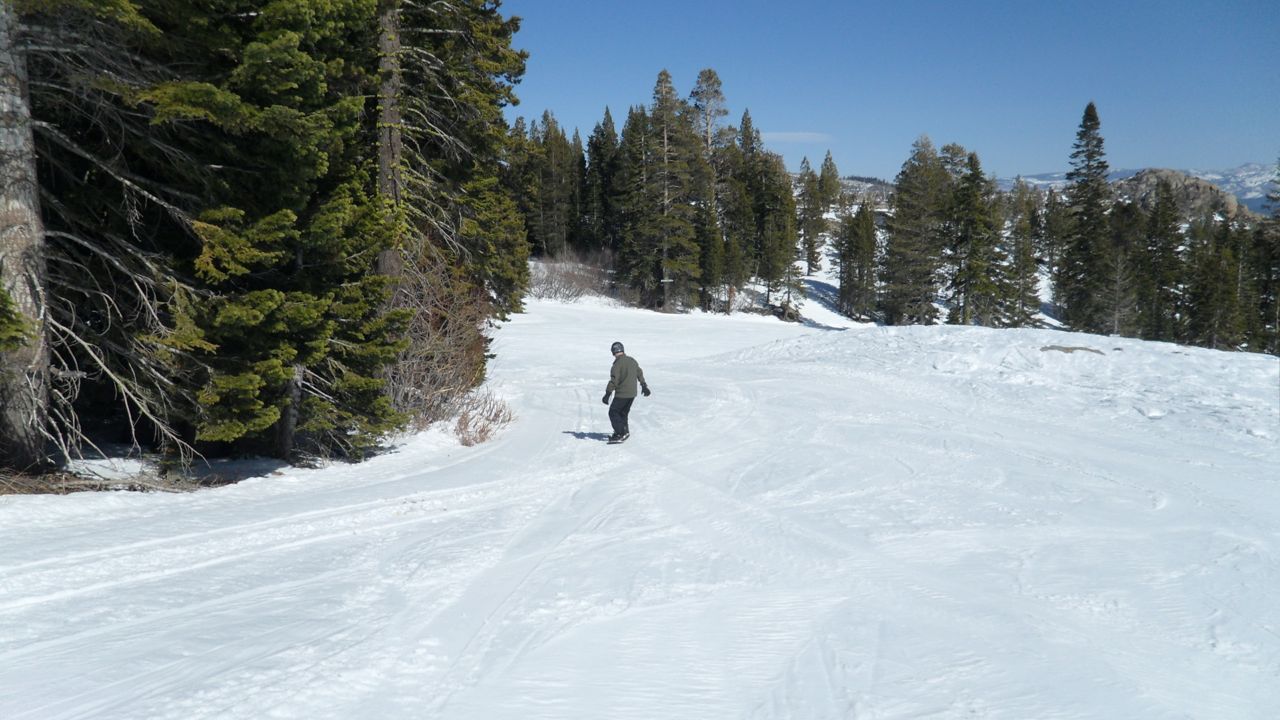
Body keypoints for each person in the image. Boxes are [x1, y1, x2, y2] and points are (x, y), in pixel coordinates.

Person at [601, 341, 650, 442]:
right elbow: (639, 372)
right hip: (632, 394)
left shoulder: (617, 364)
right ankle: (625, 431)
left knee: (613, 412)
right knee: (623, 413)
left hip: (622, 394)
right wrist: (643, 385)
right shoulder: (632, 360)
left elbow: (614, 380)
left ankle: (620, 434)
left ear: (613, 352)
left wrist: (608, 393)